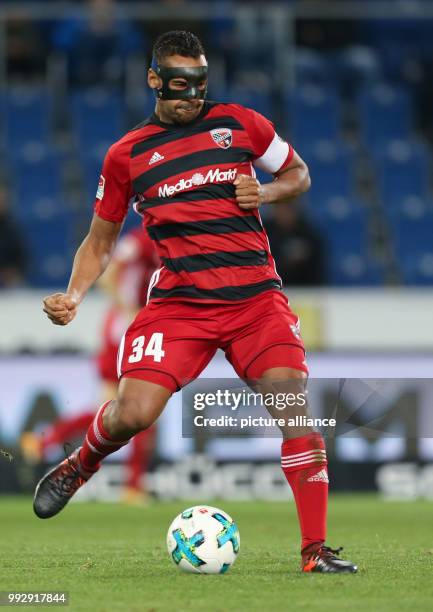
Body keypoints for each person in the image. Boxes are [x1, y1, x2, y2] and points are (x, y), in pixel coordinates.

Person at [34, 30, 357, 574]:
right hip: (181, 306)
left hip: (256, 301)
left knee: (292, 404)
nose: (191, 96)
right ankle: (81, 463)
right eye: (180, 85)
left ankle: (314, 552)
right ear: (154, 80)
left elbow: (298, 174)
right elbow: (101, 239)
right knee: (133, 414)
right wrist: (75, 294)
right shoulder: (126, 155)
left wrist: (268, 191)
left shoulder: (243, 124)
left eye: (200, 85)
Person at [21, 227, 159, 502]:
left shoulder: (164, 233)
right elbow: (109, 275)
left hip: (130, 325)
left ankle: (44, 442)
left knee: (121, 408)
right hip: (127, 327)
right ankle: (132, 487)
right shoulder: (145, 238)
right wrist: (129, 310)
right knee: (137, 408)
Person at [265, 200, 327, 286]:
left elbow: (319, 271)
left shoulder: (310, 235)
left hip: (304, 289)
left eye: (289, 208)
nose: (285, 213)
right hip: (270, 288)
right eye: (280, 208)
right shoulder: (264, 233)